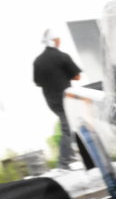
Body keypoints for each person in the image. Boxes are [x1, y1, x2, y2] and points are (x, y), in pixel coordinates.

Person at [33, 28, 81, 169]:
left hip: (51, 101)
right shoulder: (62, 56)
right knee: (68, 129)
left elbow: (38, 82)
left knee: (71, 126)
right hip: (65, 98)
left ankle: (75, 156)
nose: (60, 41)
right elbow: (77, 77)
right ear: (54, 41)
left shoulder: (38, 61)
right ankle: (64, 162)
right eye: (58, 39)